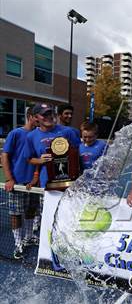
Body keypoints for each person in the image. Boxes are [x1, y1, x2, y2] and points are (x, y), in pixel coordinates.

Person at [2, 108, 39, 259]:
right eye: (38, 118)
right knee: (16, 214)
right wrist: (10, 178)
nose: (41, 121)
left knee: (31, 211)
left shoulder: (39, 135)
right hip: (17, 183)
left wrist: (36, 177)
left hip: (34, 184)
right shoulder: (15, 133)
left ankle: (29, 237)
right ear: (30, 117)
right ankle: (18, 244)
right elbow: (4, 156)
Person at [23, 103, 80, 188]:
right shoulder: (31, 136)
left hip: (68, 181)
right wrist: (40, 160)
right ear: (36, 117)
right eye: (44, 114)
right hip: (47, 181)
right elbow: (28, 158)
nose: (48, 117)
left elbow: (79, 153)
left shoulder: (67, 131)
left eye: (50, 113)